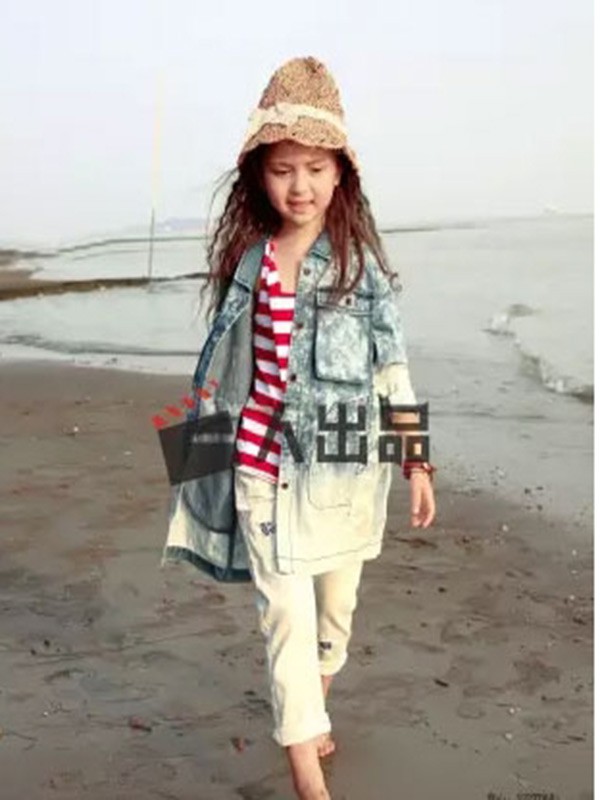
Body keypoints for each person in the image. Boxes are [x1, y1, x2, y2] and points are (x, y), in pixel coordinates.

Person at [162, 56, 436, 800]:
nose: (300, 185)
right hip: (261, 469)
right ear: (260, 176)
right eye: (283, 169)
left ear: (340, 174)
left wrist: (416, 463)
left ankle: (315, 705)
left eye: (315, 168)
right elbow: (220, 373)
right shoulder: (247, 264)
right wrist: (195, 477)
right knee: (283, 616)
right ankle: (307, 778)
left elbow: (392, 370)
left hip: (343, 472)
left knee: (332, 617)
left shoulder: (360, 269)